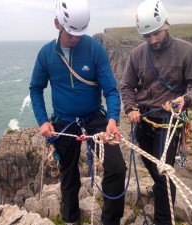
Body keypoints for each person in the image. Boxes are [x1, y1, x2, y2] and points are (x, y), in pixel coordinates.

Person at [30, 0, 126, 224]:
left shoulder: (94, 48)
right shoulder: (46, 54)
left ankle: (110, 221)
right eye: (71, 34)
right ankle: (71, 220)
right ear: (57, 24)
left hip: (95, 117)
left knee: (117, 168)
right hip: (63, 121)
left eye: (79, 34)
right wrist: (43, 122)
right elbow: (35, 89)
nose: (75, 38)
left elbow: (111, 90)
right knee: (69, 174)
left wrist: (113, 119)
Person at [120, 0, 192, 224]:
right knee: (150, 164)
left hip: (168, 123)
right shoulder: (138, 54)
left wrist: (185, 99)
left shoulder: (187, 51)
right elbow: (127, 86)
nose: (152, 40)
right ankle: (162, 191)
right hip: (143, 119)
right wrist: (130, 107)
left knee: (162, 173)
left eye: (156, 34)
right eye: (147, 36)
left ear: (166, 24)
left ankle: (163, 219)